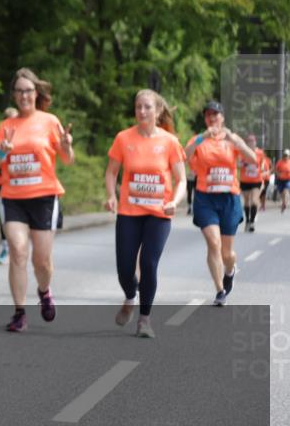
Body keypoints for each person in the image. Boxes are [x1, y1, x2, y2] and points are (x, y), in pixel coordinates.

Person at [0, 68, 74, 333]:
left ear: (36, 93)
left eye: (28, 91)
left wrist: (66, 145)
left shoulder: (49, 121)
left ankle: (44, 290)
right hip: (13, 198)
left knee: (42, 261)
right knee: (17, 251)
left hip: (44, 198)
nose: (24, 96)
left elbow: (67, 160)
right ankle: (19, 313)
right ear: (14, 95)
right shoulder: (6, 126)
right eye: (19, 91)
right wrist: (3, 152)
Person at [103, 90, 186, 338]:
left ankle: (144, 319)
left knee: (149, 263)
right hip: (129, 212)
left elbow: (181, 179)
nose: (142, 111)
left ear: (158, 111)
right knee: (125, 269)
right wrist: (111, 195)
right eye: (138, 106)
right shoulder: (123, 138)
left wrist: (175, 201)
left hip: (159, 214)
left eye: (147, 107)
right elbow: (111, 172)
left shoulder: (170, 142)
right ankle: (130, 296)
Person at [184, 101, 256, 306]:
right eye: (208, 115)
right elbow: (183, 156)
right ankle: (220, 290)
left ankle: (230, 270)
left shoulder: (232, 139)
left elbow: (252, 159)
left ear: (222, 117)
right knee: (213, 243)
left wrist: (236, 141)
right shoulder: (199, 139)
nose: (212, 118)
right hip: (205, 198)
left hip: (229, 198)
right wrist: (202, 137)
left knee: (227, 253)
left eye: (215, 114)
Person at [0, 107, 18, 264]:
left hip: (24, 186)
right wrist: (3, 152)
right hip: (4, 184)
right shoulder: (0, 136)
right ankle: (5, 248)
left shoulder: (25, 137)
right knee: (4, 219)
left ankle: (19, 248)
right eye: (9, 118)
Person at [238, 134, 267, 232]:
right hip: (244, 180)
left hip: (256, 180)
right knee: (246, 201)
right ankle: (247, 220)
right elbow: (238, 164)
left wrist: (262, 170)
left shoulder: (260, 153)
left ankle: (252, 222)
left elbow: (263, 165)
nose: (251, 143)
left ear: (255, 142)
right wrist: (244, 164)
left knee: (254, 201)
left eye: (252, 141)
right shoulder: (243, 152)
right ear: (247, 143)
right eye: (249, 141)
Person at [276, 149, 290, 214]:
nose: (285, 156)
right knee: (281, 193)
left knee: (285, 191)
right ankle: (284, 202)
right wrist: (278, 174)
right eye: (284, 155)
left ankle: (284, 204)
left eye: (286, 155)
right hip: (280, 180)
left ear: (289, 156)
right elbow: (276, 169)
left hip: (287, 180)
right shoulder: (280, 162)